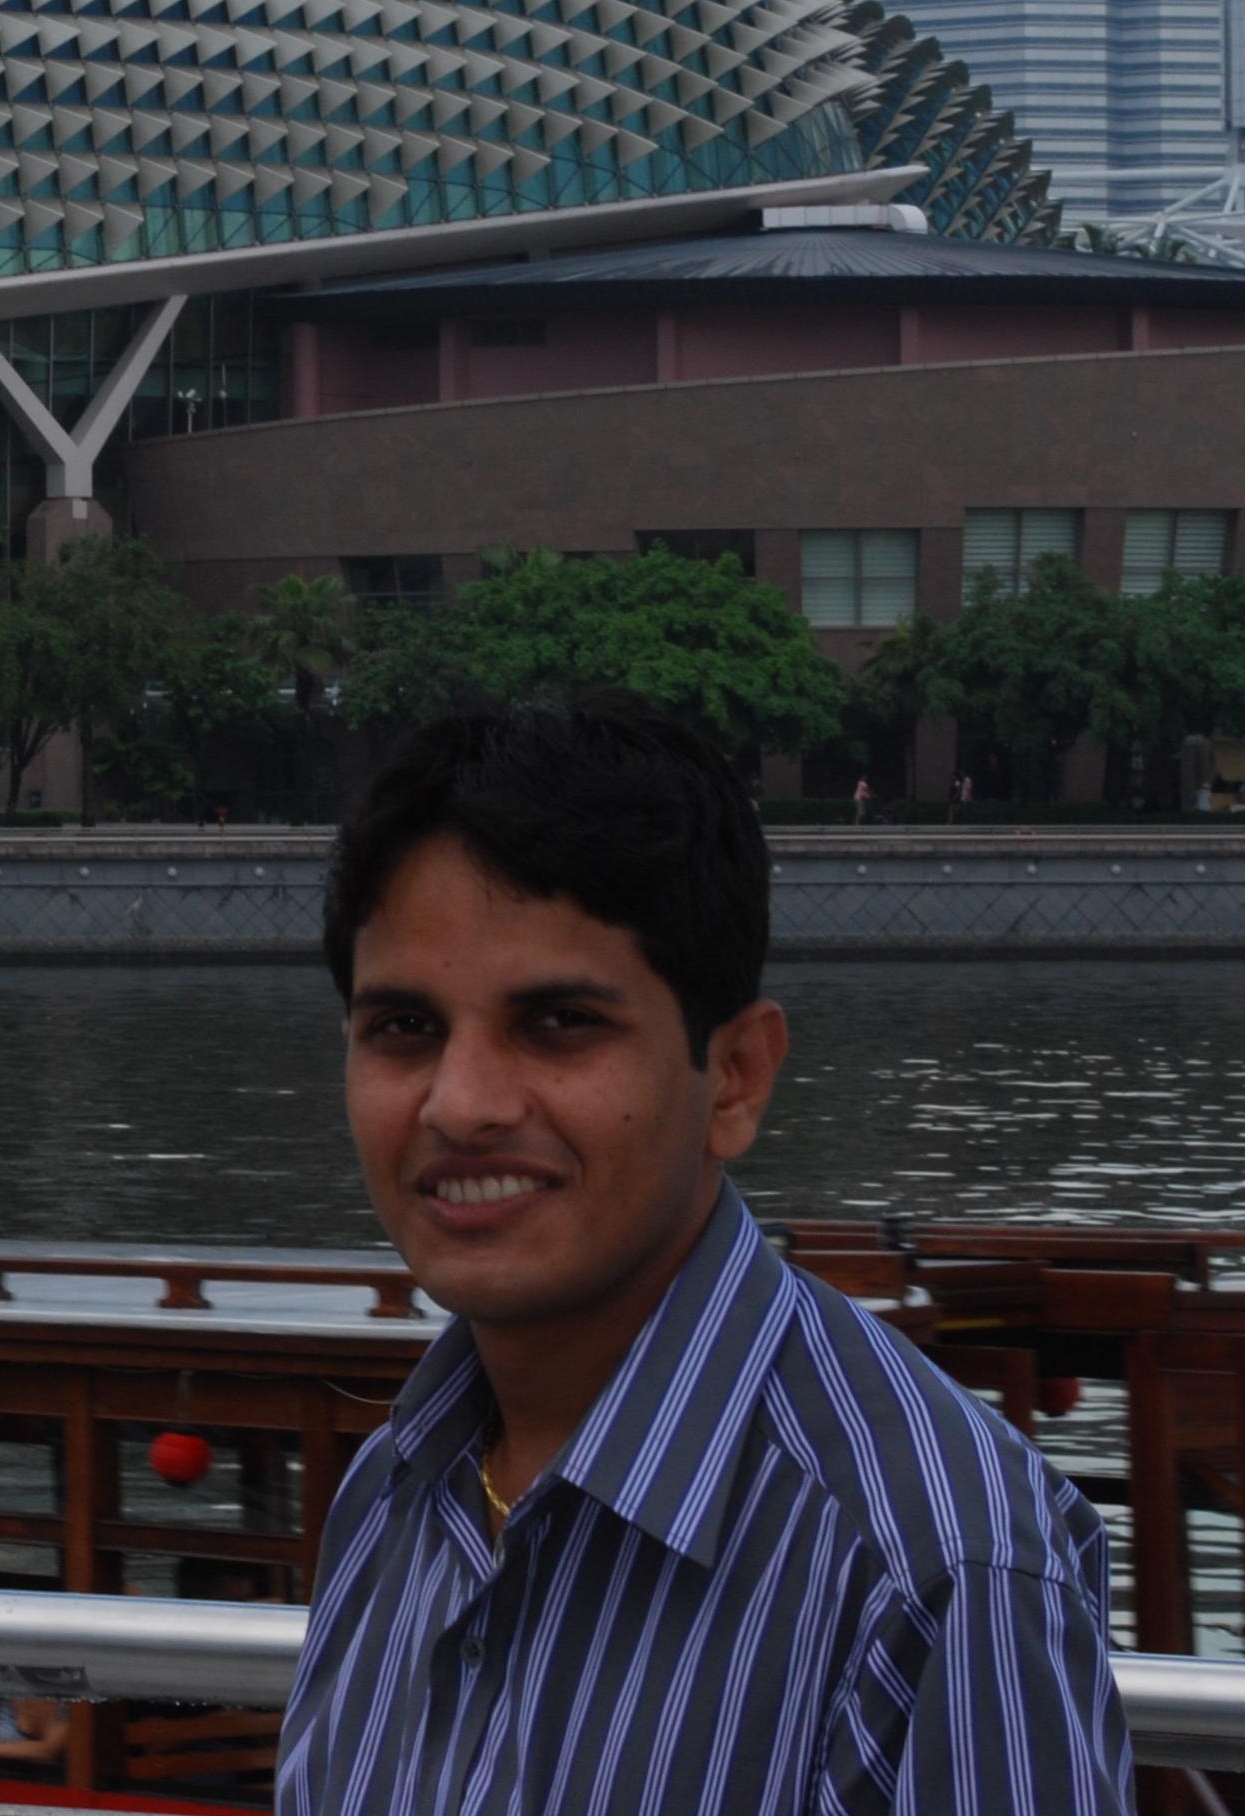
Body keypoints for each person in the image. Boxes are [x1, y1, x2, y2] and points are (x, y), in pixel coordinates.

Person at [280, 697, 1129, 1816]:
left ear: (734, 1078)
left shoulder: (932, 1569)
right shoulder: (391, 1494)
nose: (461, 1105)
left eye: (558, 1024)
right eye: (405, 1030)